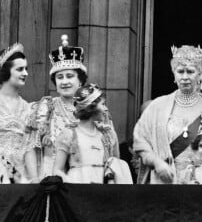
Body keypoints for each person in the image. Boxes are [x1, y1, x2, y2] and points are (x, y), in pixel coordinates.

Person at [134, 45, 202, 184]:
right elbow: (140, 142)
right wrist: (157, 162)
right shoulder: (157, 107)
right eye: (180, 71)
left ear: (199, 74)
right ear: (173, 74)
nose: (185, 77)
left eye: (190, 71)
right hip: (165, 182)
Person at [27, 35, 88, 179]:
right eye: (60, 77)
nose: (64, 81)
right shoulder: (45, 108)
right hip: (50, 176)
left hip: (82, 176)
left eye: (69, 76)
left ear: (80, 81)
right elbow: (30, 147)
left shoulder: (90, 109)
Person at [53, 83, 133, 184]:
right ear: (91, 107)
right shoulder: (69, 134)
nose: (106, 109)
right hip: (76, 191)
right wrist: (73, 183)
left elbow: (115, 167)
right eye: (103, 104)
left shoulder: (107, 135)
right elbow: (57, 170)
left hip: (101, 192)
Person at [0, 43, 38, 183]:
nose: (25, 73)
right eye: (20, 69)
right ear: (6, 71)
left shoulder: (28, 108)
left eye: (26, 69)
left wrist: (34, 179)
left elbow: (28, 147)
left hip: (19, 180)